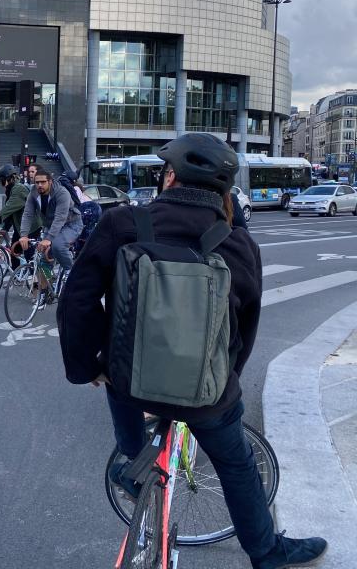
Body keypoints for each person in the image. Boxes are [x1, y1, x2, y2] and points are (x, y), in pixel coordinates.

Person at [57, 133, 327, 569]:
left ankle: (130, 464)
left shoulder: (124, 224)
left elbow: (78, 300)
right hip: (207, 396)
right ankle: (266, 552)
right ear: (223, 191)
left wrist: (88, 366)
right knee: (237, 467)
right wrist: (226, 379)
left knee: (125, 411)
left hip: (130, 384)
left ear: (169, 177)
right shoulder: (238, 242)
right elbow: (245, 325)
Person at [19, 168, 82, 278]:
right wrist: (24, 235)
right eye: (37, 182)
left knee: (58, 246)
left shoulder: (62, 193)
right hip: (50, 225)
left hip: (71, 224)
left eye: (43, 182)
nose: (39, 185)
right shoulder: (33, 193)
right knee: (43, 261)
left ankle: (70, 273)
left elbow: (60, 217)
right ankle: (44, 293)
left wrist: (48, 239)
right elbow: (27, 214)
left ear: (50, 181)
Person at [0, 164, 32, 269]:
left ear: (6, 178)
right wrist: (3, 228)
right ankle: (16, 278)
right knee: (14, 252)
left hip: (30, 227)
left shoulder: (18, 188)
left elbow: (10, 207)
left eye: (1, 179)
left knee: (29, 255)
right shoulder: (11, 189)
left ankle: (36, 280)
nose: (1, 182)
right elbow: (11, 213)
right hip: (20, 227)